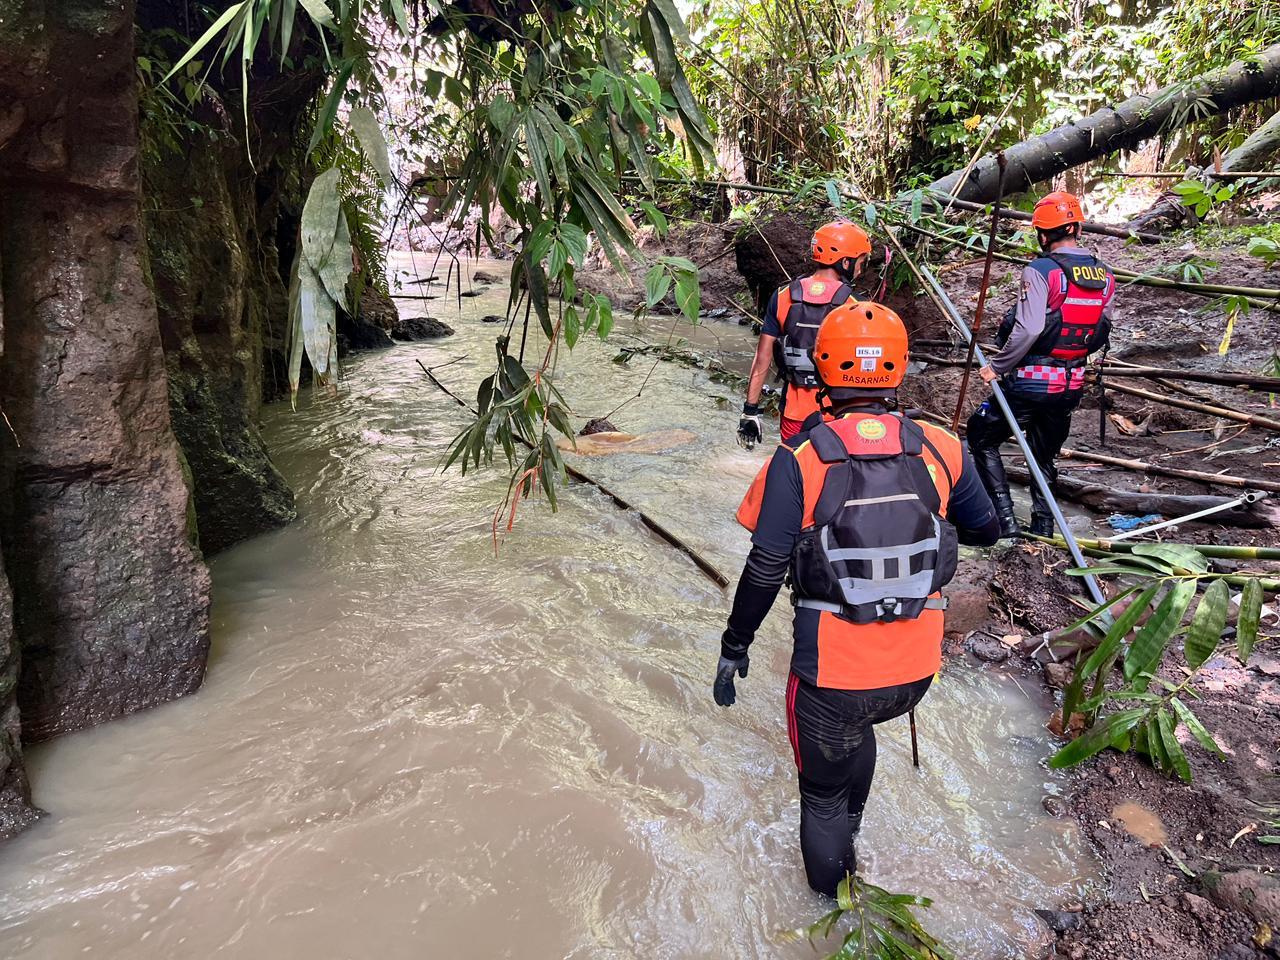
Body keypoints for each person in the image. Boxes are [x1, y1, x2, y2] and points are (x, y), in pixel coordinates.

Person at [715, 301, 1000, 897]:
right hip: (914, 674)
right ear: (897, 369)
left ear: (821, 367)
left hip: (832, 677)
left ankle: (833, 915)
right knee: (858, 733)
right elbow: (985, 529)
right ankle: (854, 861)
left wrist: (734, 645)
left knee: (821, 794)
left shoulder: (800, 458)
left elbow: (767, 565)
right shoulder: (941, 447)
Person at [966, 190, 1116, 538]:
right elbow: (1101, 327)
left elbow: (1030, 327)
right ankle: (1044, 527)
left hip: (1030, 382)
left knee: (981, 436)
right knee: (1043, 454)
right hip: (1070, 384)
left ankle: (1006, 524)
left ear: (1043, 234)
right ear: (1077, 228)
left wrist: (998, 366)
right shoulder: (1105, 275)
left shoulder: (1040, 271)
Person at [737, 221, 872, 449]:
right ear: (845, 261)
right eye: (860, 262)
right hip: (838, 413)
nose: (860, 270)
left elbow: (762, 358)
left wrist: (750, 410)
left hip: (793, 411)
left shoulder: (782, 296)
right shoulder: (855, 305)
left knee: (796, 471)